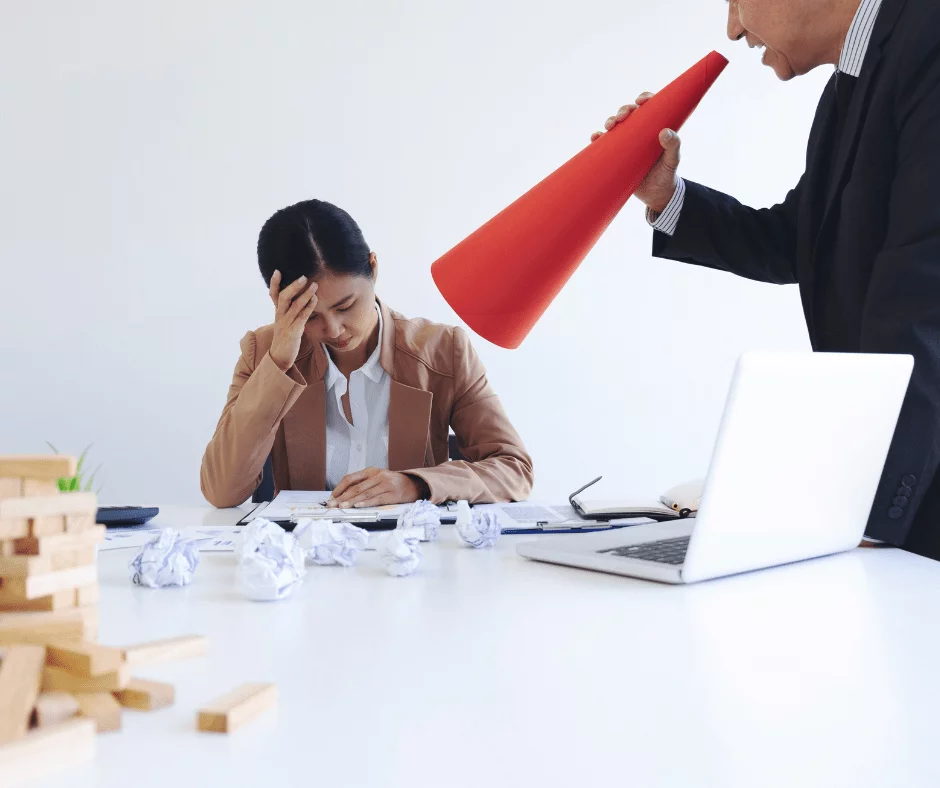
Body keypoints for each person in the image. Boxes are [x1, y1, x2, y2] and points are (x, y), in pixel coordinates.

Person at [593, 0, 940, 559]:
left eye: (736, 1)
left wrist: (866, 519)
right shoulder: (848, 87)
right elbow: (796, 240)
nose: (732, 29)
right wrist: (665, 196)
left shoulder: (929, 42)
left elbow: (925, 299)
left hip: (913, 493)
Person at [200, 199, 533, 509]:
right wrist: (279, 364)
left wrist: (415, 484)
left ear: (373, 269)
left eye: (346, 306)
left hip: (413, 556)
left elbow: (514, 470)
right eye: (311, 315)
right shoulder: (263, 354)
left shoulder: (445, 350)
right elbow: (222, 492)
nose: (333, 329)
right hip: (304, 558)